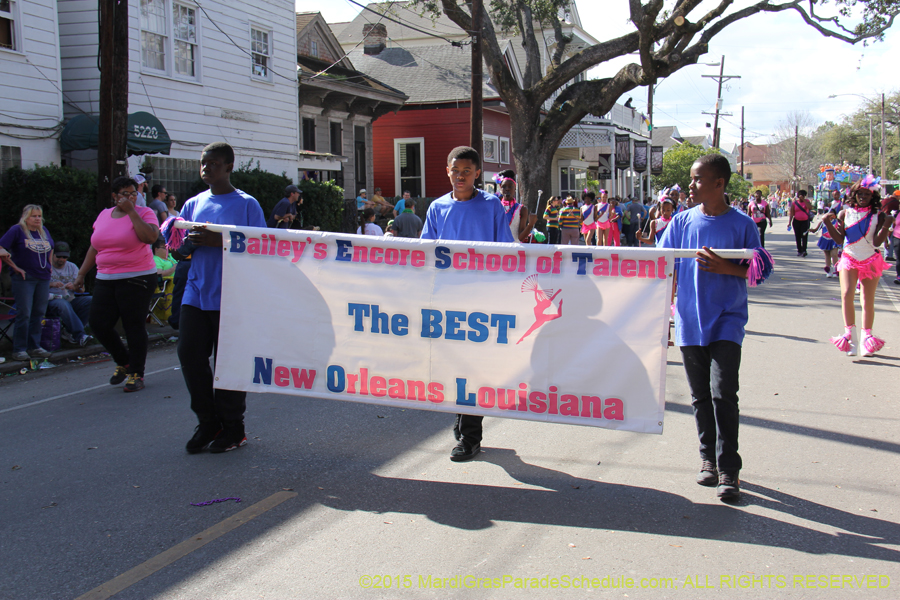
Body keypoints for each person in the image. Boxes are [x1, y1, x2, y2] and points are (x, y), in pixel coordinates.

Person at [658, 154, 773, 502]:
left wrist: (726, 267)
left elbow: (761, 270)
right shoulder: (680, 222)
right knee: (700, 397)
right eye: (692, 179)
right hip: (690, 322)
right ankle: (707, 459)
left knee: (724, 393)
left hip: (728, 321)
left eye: (697, 179)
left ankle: (729, 469)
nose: (690, 186)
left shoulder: (743, 224)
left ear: (719, 183)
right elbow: (662, 266)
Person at [420, 146, 515, 462]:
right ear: (447, 171)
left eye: (466, 171)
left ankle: (470, 437)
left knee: (474, 368)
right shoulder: (437, 209)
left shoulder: (491, 207)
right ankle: (462, 426)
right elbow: (424, 254)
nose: (460, 176)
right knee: (454, 368)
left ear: (478, 174)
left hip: (482, 302)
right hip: (447, 302)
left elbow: (506, 252)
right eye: (455, 170)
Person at [174, 142, 266, 454]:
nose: (206, 168)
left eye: (213, 163)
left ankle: (233, 428)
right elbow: (176, 247)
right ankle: (207, 421)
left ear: (229, 167)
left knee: (228, 364)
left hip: (233, 295)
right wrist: (185, 244)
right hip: (196, 292)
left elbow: (262, 248)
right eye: (203, 163)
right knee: (189, 355)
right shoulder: (193, 203)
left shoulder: (247, 205)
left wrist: (220, 241)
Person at [73, 177, 159, 391]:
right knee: (98, 322)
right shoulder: (104, 215)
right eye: (125, 194)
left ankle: (136, 374)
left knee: (133, 324)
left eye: (133, 193)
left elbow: (149, 237)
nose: (130, 197)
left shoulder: (144, 213)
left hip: (137, 277)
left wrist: (132, 212)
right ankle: (125, 361)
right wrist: (81, 275)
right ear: (114, 196)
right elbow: (95, 247)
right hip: (106, 277)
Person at [824, 177, 891, 357]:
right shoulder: (845, 213)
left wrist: (886, 225)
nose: (863, 197)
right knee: (846, 294)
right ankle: (850, 338)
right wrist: (827, 222)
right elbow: (839, 240)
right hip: (849, 257)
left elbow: (877, 242)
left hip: (870, 259)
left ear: (872, 196)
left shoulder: (879, 215)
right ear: (853, 195)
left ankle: (866, 340)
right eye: (859, 193)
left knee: (867, 300)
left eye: (866, 194)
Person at [0, 204, 55, 361]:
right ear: (26, 217)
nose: (37, 219)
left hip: (43, 277)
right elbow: (2, 248)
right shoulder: (17, 230)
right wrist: (15, 267)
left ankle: (34, 346)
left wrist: (49, 266)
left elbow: (51, 248)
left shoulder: (43, 231)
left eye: (39, 216)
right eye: (34, 216)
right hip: (25, 279)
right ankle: (19, 349)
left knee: (39, 312)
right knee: (24, 313)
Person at [47, 241, 92, 346]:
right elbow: (37, 287)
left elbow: (82, 290)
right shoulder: (47, 267)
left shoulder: (72, 267)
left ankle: (68, 331)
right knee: (62, 304)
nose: (61, 260)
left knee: (91, 300)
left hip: (70, 299)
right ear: (52, 254)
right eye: (58, 257)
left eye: (64, 257)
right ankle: (80, 335)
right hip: (51, 301)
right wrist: (51, 284)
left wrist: (75, 287)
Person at [809, 214, 840, 279]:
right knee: (827, 255)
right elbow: (816, 230)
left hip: (834, 240)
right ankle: (828, 271)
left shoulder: (837, 222)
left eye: (832, 214)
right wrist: (811, 230)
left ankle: (835, 270)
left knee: (834, 254)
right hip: (825, 239)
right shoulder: (822, 222)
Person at [788, 190, 812, 256]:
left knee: (804, 236)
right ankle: (799, 250)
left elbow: (810, 207)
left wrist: (804, 200)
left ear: (804, 196)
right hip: (796, 221)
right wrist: (789, 222)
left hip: (805, 221)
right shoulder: (794, 203)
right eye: (799, 195)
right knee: (798, 236)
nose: (800, 197)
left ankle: (804, 250)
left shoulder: (807, 201)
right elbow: (792, 213)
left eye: (802, 195)